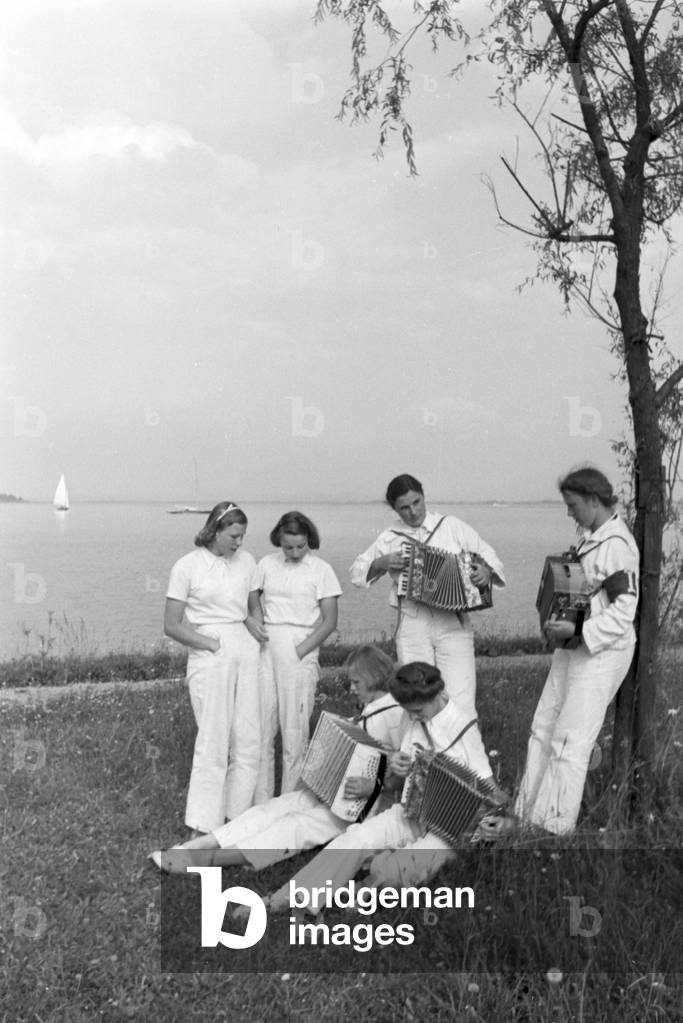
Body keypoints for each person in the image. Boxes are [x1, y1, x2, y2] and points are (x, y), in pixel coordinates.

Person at [266, 662, 507, 913]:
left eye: (417, 711)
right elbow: (403, 776)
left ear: (435, 696)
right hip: (411, 811)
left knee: (404, 867)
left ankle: (365, 891)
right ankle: (283, 900)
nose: (412, 717)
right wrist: (399, 768)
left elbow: (492, 791)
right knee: (354, 839)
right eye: (408, 712)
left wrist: (499, 823)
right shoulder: (410, 716)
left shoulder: (463, 727)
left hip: (449, 830)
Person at [148, 646, 405, 873]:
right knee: (275, 807)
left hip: (365, 807)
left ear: (372, 679)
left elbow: (405, 777)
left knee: (295, 826)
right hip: (338, 793)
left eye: (356, 682)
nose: (351, 688)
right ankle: (198, 844)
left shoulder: (398, 716)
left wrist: (377, 781)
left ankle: (207, 859)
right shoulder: (371, 712)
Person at [514, 467, 639, 835]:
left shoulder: (617, 545)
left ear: (594, 500)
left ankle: (552, 827)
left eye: (572, 505)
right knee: (543, 727)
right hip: (573, 647)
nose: (569, 513)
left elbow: (623, 613)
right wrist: (559, 624)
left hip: (601, 652)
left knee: (570, 739)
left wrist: (579, 629)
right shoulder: (592, 539)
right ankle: (526, 813)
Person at [350, 474, 505, 717]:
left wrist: (485, 571)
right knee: (416, 696)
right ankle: (423, 753)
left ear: (424, 497)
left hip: (453, 620)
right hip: (412, 623)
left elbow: (489, 556)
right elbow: (357, 573)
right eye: (404, 508)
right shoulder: (390, 536)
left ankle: (460, 753)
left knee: (460, 696)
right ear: (395, 509)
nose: (412, 512)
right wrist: (382, 562)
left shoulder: (450, 525)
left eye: (417, 502)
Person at [164, 501, 267, 835]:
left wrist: (255, 628)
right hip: (210, 654)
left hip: (246, 652)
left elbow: (252, 608)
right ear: (215, 530)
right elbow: (172, 625)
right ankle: (203, 824)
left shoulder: (247, 561)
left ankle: (235, 818)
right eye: (234, 536)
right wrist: (210, 644)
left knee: (249, 737)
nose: (239, 543)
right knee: (213, 740)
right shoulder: (187, 566)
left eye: (243, 537)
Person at [252, 511, 342, 798]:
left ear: (309, 541)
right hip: (267, 647)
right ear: (279, 539)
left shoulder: (321, 569)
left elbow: (329, 620)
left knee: (294, 731)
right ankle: (260, 802)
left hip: (299, 647)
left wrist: (303, 649)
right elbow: (252, 596)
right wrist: (257, 620)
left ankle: (288, 802)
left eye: (300, 546)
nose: (293, 552)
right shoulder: (266, 563)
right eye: (287, 546)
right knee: (263, 729)